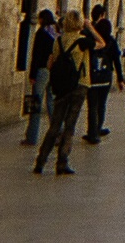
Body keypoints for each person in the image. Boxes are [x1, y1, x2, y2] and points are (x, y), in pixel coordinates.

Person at [33, 10, 104, 176]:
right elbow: (101, 43)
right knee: (70, 125)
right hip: (79, 85)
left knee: (55, 125)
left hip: (61, 86)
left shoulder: (58, 40)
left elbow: (50, 64)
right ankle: (62, 162)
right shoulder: (83, 41)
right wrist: (90, 27)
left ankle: (40, 161)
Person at [82, 12, 124, 145]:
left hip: (93, 77)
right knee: (101, 105)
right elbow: (117, 61)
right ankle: (97, 129)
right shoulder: (112, 42)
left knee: (92, 106)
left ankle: (92, 132)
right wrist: (120, 79)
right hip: (106, 78)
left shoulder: (92, 41)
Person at [20, 10, 57, 146]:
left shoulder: (41, 34)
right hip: (54, 71)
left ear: (41, 19)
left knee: (36, 103)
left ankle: (31, 137)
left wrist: (32, 75)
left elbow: (36, 55)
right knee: (51, 103)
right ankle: (57, 134)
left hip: (42, 70)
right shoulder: (56, 34)